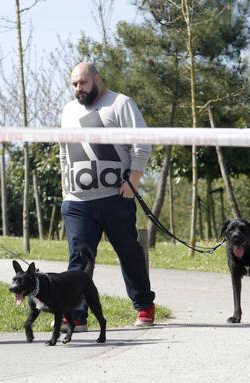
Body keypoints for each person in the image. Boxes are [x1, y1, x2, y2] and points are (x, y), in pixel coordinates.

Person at [59, 62, 156, 329]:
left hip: (115, 196)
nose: (78, 89)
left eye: (83, 83)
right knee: (79, 260)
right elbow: (64, 150)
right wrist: (65, 186)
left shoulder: (121, 103)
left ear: (97, 80)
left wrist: (134, 178)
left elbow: (141, 141)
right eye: (74, 84)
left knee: (128, 251)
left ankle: (144, 306)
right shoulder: (68, 110)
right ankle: (76, 316)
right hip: (77, 201)